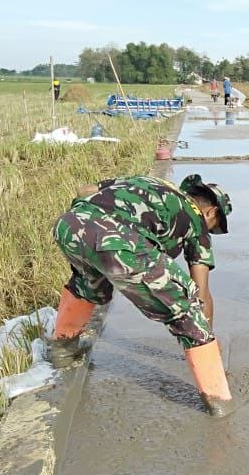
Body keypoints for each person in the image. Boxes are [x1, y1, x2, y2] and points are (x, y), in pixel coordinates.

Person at [48, 174, 236, 417]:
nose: (210, 231)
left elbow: (84, 189)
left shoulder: (147, 181)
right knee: (185, 307)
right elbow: (201, 291)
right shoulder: (197, 223)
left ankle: (62, 351)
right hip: (117, 241)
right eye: (215, 226)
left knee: (89, 286)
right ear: (210, 212)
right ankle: (219, 402)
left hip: (68, 226)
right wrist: (206, 337)